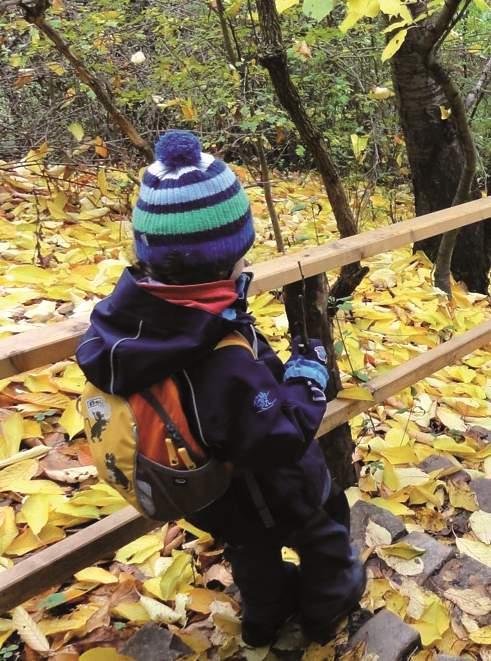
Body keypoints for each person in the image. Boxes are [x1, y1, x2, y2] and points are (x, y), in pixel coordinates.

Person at [75, 131, 365, 648]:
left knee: (250, 557)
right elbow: (278, 435)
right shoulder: (219, 352)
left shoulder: (128, 324)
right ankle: (326, 613)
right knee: (324, 538)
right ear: (227, 255)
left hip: (205, 495)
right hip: (272, 489)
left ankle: (261, 622)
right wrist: (308, 377)